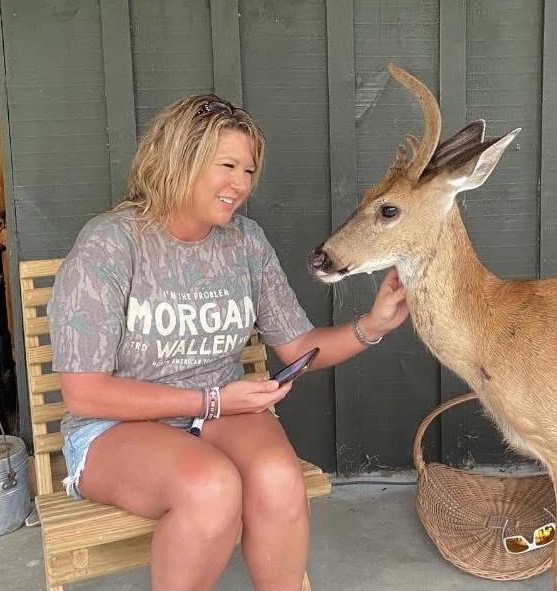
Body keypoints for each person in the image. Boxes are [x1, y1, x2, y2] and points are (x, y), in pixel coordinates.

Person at [48, 94, 409, 591]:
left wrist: (373, 324)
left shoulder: (245, 242)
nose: (240, 184)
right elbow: (85, 394)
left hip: (219, 411)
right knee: (210, 486)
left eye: (249, 170)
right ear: (180, 159)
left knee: (279, 479)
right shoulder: (110, 245)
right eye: (227, 166)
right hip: (114, 426)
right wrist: (213, 400)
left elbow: (299, 346)